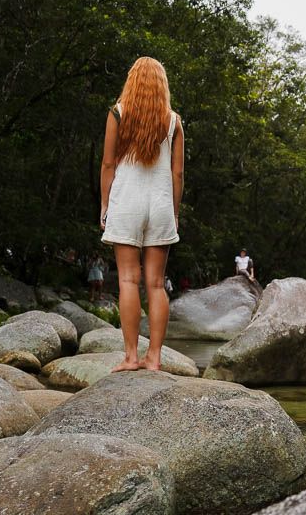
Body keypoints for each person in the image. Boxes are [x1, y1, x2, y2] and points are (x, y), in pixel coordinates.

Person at [100, 56, 184, 373]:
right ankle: (155, 358)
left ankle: (131, 356)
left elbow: (108, 164)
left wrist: (105, 204)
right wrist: (174, 213)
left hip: (127, 202)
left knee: (127, 280)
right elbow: (177, 175)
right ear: (162, 85)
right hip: (160, 203)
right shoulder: (174, 122)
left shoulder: (118, 114)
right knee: (156, 284)